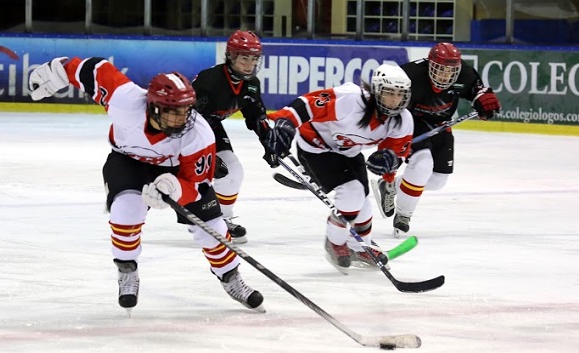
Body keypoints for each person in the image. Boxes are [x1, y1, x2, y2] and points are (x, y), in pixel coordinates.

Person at [28, 56, 265, 312]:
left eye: (185, 111)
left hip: (176, 170)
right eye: (173, 112)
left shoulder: (200, 133)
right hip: (128, 161)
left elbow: (197, 186)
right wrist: (59, 70)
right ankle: (127, 269)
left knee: (212, 227)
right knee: (125, 211)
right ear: (152, 107)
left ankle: (231, 278)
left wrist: (175, 189)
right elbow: (93, 69)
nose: (182, 119)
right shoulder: (125, 101)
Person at [267, 64, 414, 271]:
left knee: (363, 206)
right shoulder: (351, 100)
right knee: (352, 193)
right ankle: (335, 242)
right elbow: (308, 104)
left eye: (400, 94)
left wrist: (389, 162)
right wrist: (286, 123)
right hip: (316, 147)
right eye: (389, 93)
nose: (394, 100)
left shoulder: (403, 121)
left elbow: (397, 152)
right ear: (376, 90)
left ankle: (359, 247)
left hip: (349, 153)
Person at [374, 42, 501, 237]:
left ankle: (390, 186)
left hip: (441, 124)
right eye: (440, 70)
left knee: (437, 180)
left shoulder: (464, 75)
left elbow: (477, 91)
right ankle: (403, 215)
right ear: (430, 65)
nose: (444, 76)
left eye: (450, 72)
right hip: (412, 121)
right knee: (422, 164)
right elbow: (388, 101)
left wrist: (484, 101)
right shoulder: (410, 75)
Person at [192, 30, 274, 244]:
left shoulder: (252, 84)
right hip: (186, 135)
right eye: (244, 58)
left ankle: (221, 220)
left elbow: (257, 116)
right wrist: (204, 154)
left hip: (211, 128)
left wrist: (271, 141)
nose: (249, 64)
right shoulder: (209, 80)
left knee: (233, 171)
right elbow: (186, 121)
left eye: (254, 58)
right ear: (231, 56)